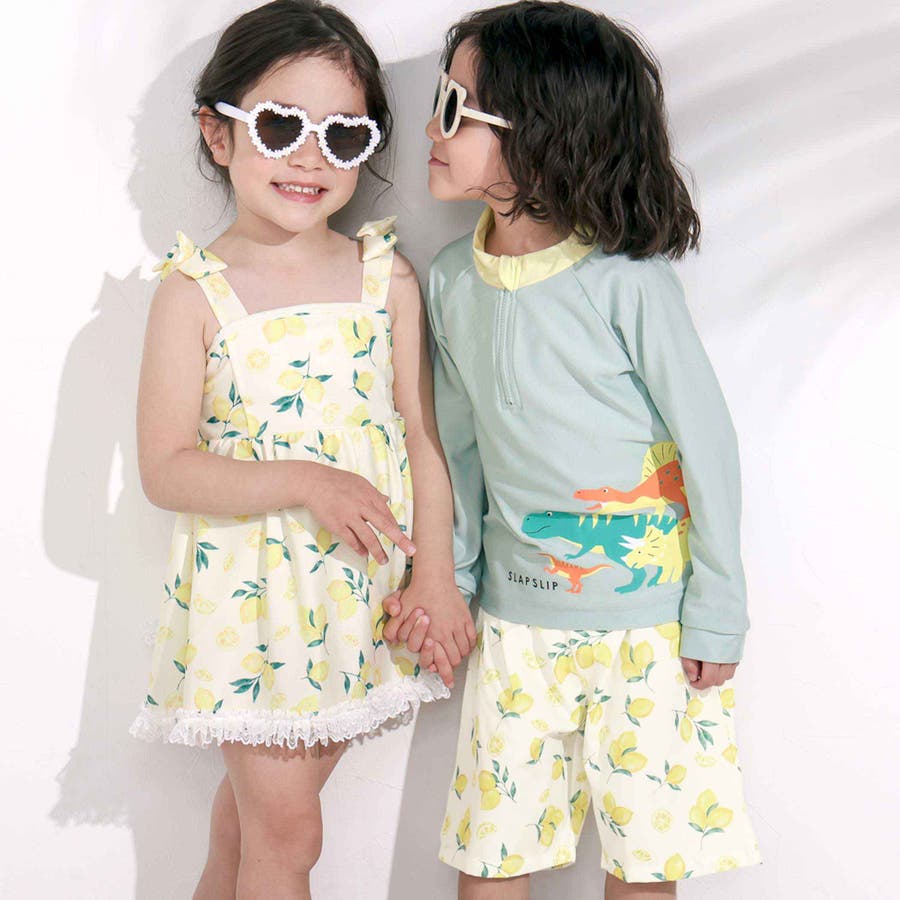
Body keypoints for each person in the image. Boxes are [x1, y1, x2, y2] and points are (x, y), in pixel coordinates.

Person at [384, 2, 762, 896]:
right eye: (437, 102)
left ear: (541, 132)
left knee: (646, 868)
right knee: (491, 860)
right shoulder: (452, 282)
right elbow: (459, 451)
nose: (431, 129)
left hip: (649, 633)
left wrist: (718, 607)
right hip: (517, 629)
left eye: (454, 110)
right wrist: (455, 582)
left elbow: (707, 443)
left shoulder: (627, 283)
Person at [128, 2, 474, 896]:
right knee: (290, 836)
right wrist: (308, 481)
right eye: (282, 126)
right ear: (217, 134)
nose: (311, 157)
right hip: (253, 614)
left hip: (360, 603)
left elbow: (423, 437)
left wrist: (435, 576)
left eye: (343, 135)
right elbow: (165, 468)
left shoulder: (385, 278)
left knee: (246, 833)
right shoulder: (195, 292)